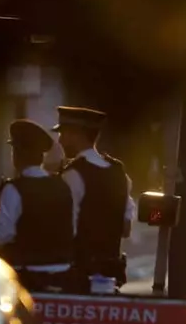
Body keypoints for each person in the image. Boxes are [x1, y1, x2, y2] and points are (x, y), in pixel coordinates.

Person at [0, 120, 75, 291]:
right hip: (63, 274)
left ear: (17, 154)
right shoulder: (62, 186)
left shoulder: (14, 189)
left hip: (27, 277)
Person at [54, 106, 136, 292]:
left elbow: (67, 230)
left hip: (79, 276)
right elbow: (126, 228)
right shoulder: (118, 172)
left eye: (64, 133)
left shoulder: (73, 174)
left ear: (78, 134)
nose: (60, 140)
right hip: (110, 275)